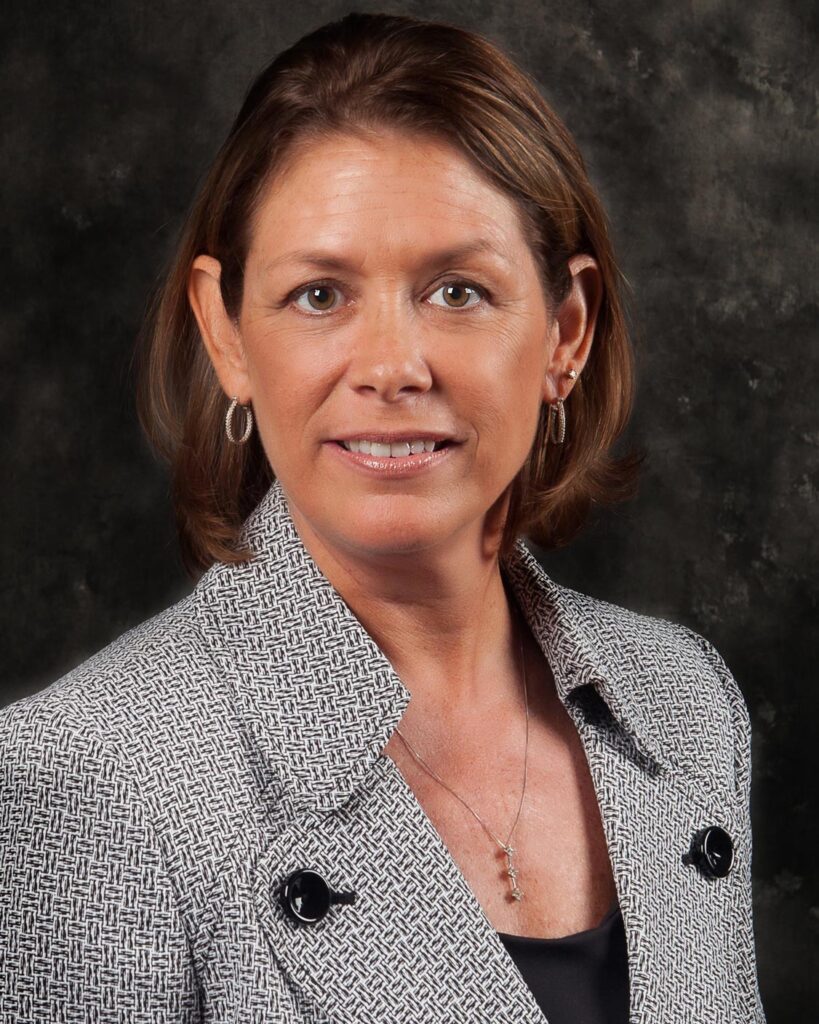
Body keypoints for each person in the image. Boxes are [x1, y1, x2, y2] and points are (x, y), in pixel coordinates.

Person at [0, 11, 765, 1024]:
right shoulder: (91, 773)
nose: (393, 366)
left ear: (564, 335)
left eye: (458, 290)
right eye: (319, 294)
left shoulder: (685, 703)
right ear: (226, 334)